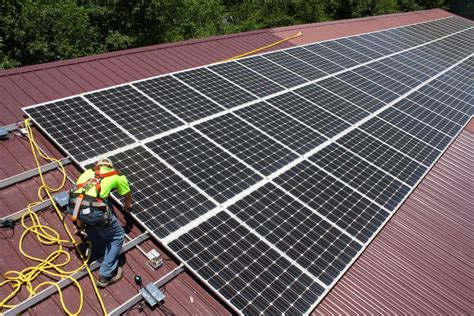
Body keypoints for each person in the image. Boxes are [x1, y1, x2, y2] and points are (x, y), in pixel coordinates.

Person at [68, 157, 132, 288]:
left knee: (90, 200)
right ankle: (105, 276)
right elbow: (127, 194)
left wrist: (80, 227)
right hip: (93, 212)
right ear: (110, 167)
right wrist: (127, 205)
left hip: (73, 205)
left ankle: (81, 227)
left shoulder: (88, 172)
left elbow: (81, 197)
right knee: (117, 237)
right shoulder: (117, 175)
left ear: (98, 166)